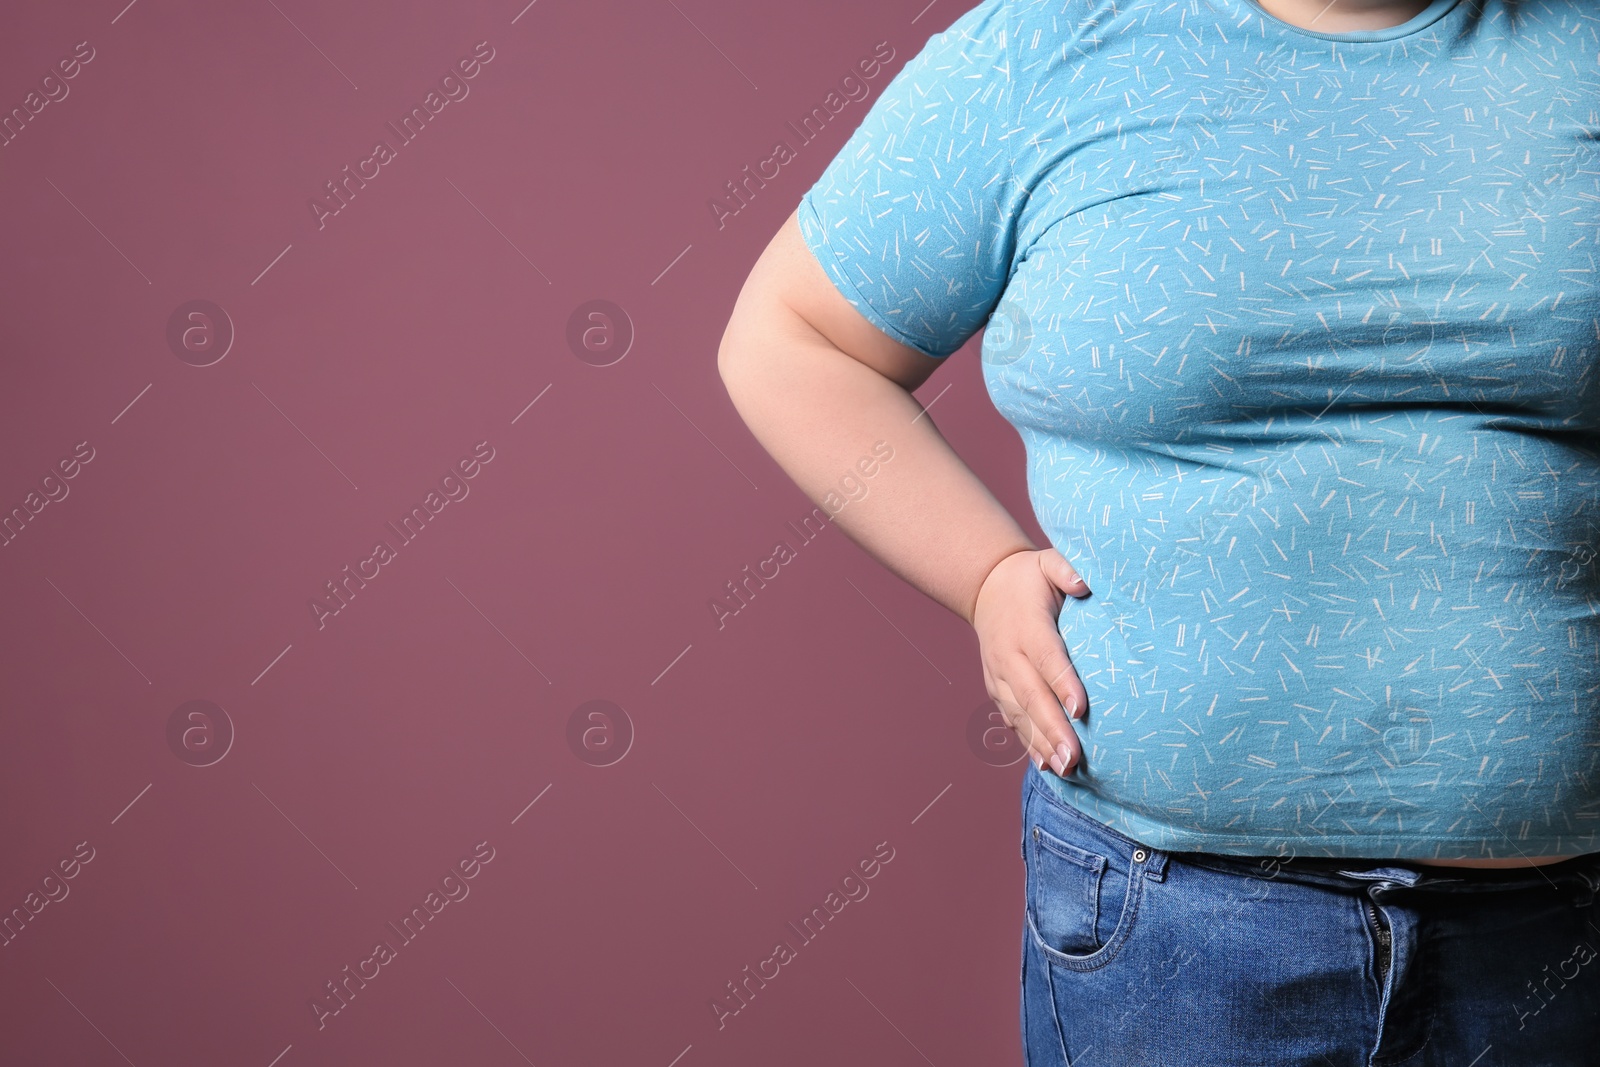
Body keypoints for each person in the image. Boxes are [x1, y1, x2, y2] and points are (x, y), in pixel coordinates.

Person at [718, 0, 1600, 1061]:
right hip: (1171, 932)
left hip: (1562, 936)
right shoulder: (1053, 46)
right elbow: (793, 339)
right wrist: (986, 569)